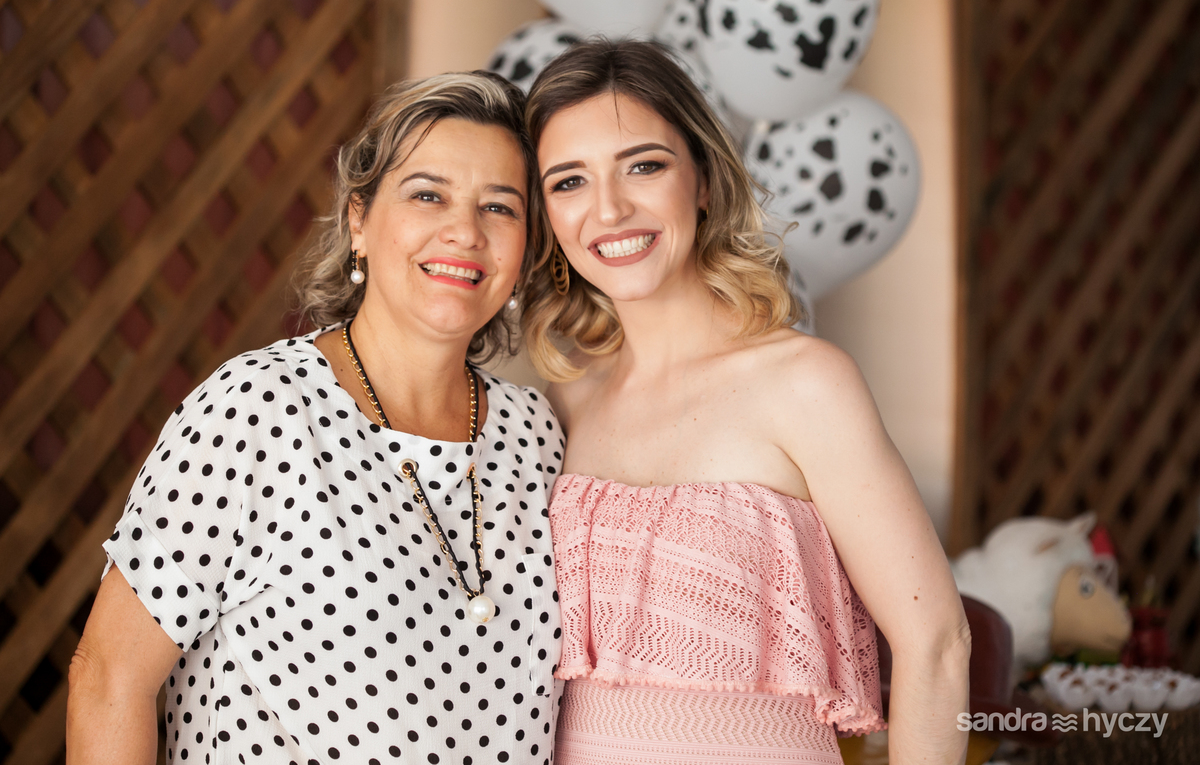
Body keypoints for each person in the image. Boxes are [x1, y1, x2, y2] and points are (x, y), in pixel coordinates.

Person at [67, 72, 564, 765]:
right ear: (359, 219)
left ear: (528, 244)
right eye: (428, 195)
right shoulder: (256, 409)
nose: (464, 232)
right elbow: (108, 680)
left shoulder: (537, 434)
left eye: (499, 207)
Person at [521, 39, 970, 765]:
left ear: (702, 180)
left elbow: (937, 643)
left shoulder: (805, 383)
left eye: (643, 165)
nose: (609, 208)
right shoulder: (562, 405)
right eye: (569, 181)